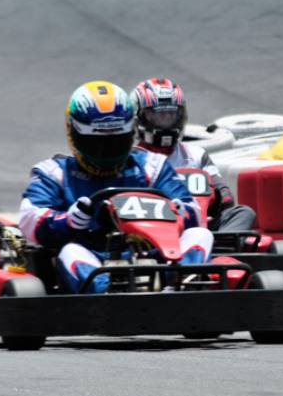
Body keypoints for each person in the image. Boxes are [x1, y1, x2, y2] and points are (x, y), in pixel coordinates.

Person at [19, 80, 210, 293]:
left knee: (200, 235)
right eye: (97, 142)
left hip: (156, 255)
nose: (107, 151)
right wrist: (69, 221)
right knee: (70, 251)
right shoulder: (53, 173)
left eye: (116, 141)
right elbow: (29, 220)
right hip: (94, 256)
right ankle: (107, 294)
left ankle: (181, 286)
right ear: (74, 133)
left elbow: (192, 208)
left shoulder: (152, 166)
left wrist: (176, 215)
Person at [130, 77, 257, 233]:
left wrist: (218, 196)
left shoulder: (196, 155)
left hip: (197, 222)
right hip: (152, 226)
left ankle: (220, 251)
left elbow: (224, 194)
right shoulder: (133, 159)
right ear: (140, 117)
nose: (166, 121)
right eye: (158, 115)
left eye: (171, 115)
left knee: (243, 212)